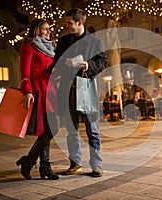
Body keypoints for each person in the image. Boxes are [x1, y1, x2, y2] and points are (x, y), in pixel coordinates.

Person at [53, 8, 107, 177]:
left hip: (87, 89)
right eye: (67, 22)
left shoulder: (95, 42)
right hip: (68, 91)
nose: (67, 26)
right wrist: (65, 63)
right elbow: (56, 63)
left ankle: (96, 165)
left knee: (93, 129)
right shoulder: (63, 42)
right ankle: (75, 162)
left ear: (80, 23)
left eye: (70, 23)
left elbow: (103, 62)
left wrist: (89, 65)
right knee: (72, 130)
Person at [16, 19, 59, 180]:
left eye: (49, 29)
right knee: (50, 129)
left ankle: (41, 165)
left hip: (51, 91)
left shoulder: (51, 49)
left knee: (48, 129)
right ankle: (34, 163)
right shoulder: (29, 46)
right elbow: (24, 72)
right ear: (36, 30)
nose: (48, 32)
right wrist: (27, 91)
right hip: (38, 91)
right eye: (44, 29)